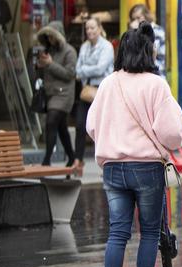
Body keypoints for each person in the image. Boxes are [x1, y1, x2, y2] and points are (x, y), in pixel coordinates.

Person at [86, 22, 182, 267]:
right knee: (149, 232)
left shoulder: (108, 83)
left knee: (117, 232)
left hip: (113, 169)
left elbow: (92, 125)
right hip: (146, 169)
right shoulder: (156, 84)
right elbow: (170, 131)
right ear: (147, 52)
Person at [74, 17, 114, 175]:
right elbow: (77, 70)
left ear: (99, 28)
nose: (89, 31)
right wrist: (85, 70)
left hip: (102, 91)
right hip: (87, 90)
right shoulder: (84, 47)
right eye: (87, 29)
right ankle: (78, 160)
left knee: (102, 128)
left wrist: (84, 69)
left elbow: (100, 69)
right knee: (80, 125)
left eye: (92, 28)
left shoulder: (107, 46)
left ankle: (106, 163)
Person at [36, 21, 77, 167]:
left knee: (51, 121)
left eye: (52, 37)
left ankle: (47, 160)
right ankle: (72, 157)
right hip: (50, 93)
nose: (50, 40)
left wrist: (50, 64)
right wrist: (40, 65)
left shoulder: (70, 51)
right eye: (48, 37)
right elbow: (46, 73)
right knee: (61, 128)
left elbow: (69, 74)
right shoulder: (49, 50)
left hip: (64, 94)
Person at [129, 4, 166, 78]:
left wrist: (137, 33)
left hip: (157, 75)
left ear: (146, 16)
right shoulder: (134, 32)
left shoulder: (157, 31)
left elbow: (149, 53)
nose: (135, 22)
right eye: (133, 19)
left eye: (138, 18)